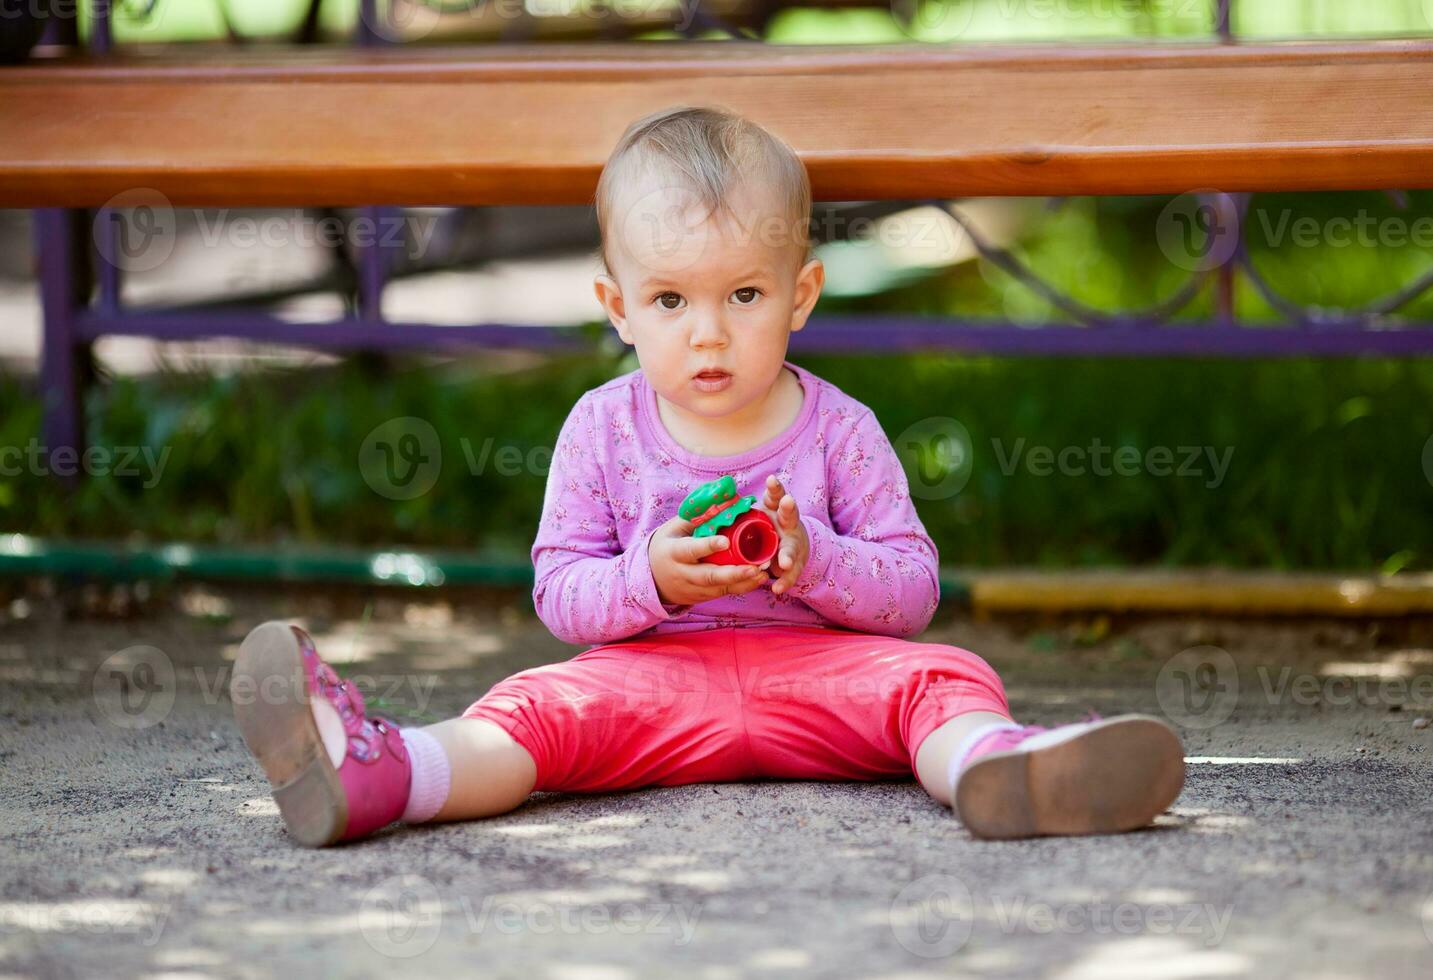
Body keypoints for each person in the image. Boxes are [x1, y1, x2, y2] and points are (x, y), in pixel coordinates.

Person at [230, 105, 1185, 847]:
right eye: (670, 299)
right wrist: (651, 578)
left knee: (948, 676)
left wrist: (814, 563)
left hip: (823, 682)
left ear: (800, 294)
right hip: (651, 686)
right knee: (531, 706)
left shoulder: (839, 429)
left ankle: (1000, 770)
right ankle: (388, 772)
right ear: (617, 308)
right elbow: (562, 596)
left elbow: (912, 594)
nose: (708, 331)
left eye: (743, 294)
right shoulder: (602, 428)